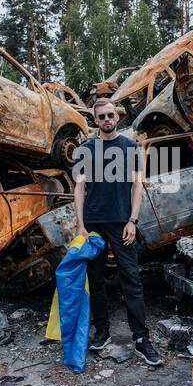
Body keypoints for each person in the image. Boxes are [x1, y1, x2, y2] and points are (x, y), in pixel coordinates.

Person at [73, 98, 162, 366]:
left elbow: (138, 186)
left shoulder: (131, 147)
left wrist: (133, 220)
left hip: (122, 222)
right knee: (96, 281)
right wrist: (80, 226)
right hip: (93, 224)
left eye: (110, 115)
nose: (107, 120)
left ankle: (141, 339)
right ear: (95, 120)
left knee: (131, 280)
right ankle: (102, 332)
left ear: (117, 117)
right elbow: (79, 188)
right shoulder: (85, 149)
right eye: (101, 117)